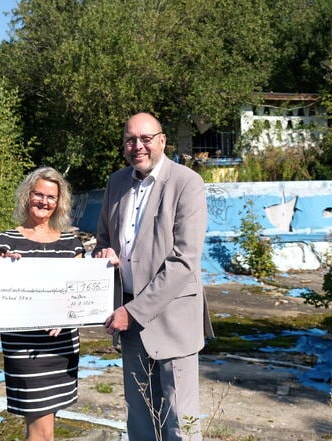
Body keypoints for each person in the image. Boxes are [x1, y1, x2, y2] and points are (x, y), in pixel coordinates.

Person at [93, 112, 213, 441]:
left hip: (172, 318)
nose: (138, 146)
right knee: (141, 418)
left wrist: (132, 313)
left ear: (162, 140)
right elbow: (103, 240)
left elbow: (184, 260)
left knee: (180, 421)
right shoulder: (116, 182)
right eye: (130, 140)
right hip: (127, 318)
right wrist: (104, 253)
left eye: (145, 139)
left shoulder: (187, 183)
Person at [0, 167, 85, 441]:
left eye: (51, 197)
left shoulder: (72, 243)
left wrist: (66, 315)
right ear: (27, 196)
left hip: (62, 346)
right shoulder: (6, 240)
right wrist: (6, 268)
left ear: (59, 202)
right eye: (38, 194)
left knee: (47, 426)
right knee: (39, 429)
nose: (44, 202)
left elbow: (80, 293)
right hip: (25, 346)